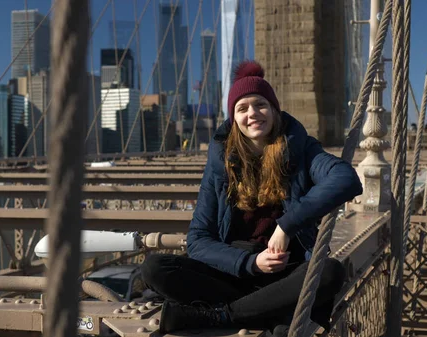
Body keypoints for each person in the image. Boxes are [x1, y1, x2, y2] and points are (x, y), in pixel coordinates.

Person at [140, 60, 363, 336]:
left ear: (273, 110)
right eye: (242, 108)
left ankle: (221, 316)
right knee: (154, 268)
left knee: (329, 272)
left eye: (260, 104)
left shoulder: (301, 148)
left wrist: (286, 226)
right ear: (234, 119)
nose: (253, 113)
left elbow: (345, 178)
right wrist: (249, 264)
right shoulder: (220, 162)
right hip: (233, 271)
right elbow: (198, 239)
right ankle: (266, 312)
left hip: (285, 273)